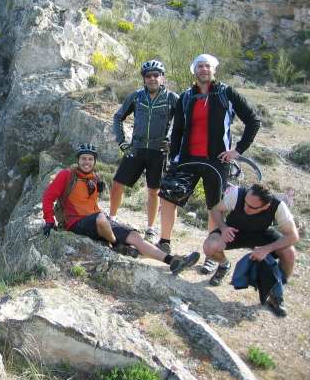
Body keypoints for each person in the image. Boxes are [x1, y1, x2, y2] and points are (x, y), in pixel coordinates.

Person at [157, 54, 260, 276]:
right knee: (168, 197)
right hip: (188, 158)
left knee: (215, 207)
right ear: (194, 71)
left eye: (207, 66)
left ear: (214, 70)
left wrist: (238, 150)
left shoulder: (226, 93)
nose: (203, 69)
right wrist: (174, 157)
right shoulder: (186, 96)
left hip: (217, 161)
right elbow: (177, 130)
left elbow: (253, 120)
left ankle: (212, 256)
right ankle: (164, 242)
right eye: (200, 66)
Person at [42, 143, 200, 275]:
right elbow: (48, 197)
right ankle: (117, 245)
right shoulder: (66, 175)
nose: (86, 162)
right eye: (83, 158)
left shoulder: (94, 178)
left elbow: (91, 205)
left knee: (135, 236)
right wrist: (49, 220)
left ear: (95, 161)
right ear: (78, 160)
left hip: (98, 221)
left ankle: (173, 261)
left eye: (90, 159)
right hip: (76, 223)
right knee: (101, 218)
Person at [203, 183, 299, 316]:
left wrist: (266, 249)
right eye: (245, 202)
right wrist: (223, 228)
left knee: (289, 253)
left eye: (251, 207)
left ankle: (276, 292)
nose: (245, 207)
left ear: (266, 206)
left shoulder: (278, 206)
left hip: (261, 235)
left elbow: (293, 236)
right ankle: (224, 265)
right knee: (210, 246)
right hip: (234, 231)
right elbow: (215, 210)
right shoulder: (237, 194)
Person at [110, 60, 178, 243]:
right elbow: (118, 117)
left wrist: (171, 140)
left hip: (159, 150)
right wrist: (122, 141)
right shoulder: (136, 96)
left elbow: (183, 121)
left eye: (156, 75)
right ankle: (111, 219)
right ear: (144, 78)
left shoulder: (172, 98)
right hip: (137, 148)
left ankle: (150, 229)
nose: (152, 78)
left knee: (153, 191)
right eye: (148, 75)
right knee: (117, 183)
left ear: (162, 77)